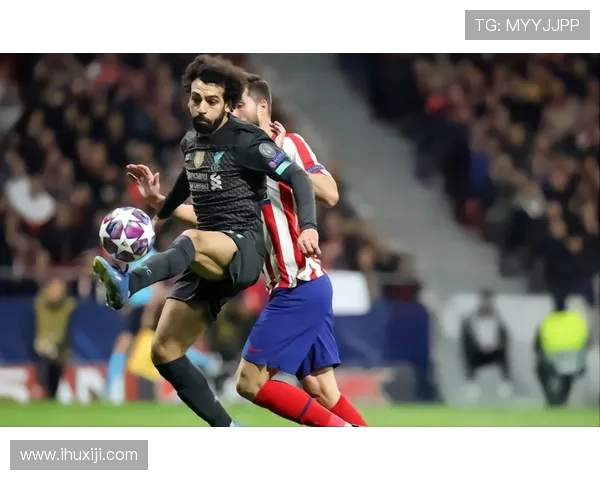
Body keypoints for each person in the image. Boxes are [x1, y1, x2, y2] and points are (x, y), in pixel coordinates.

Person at [93, 55, 347, 427]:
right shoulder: (191, 143)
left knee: (192, 240)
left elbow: (298, 178)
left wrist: (309, 226)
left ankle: (128, 281)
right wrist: (156, 210)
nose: (201, 107)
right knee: (164, 351)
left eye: (211, 101)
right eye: (195, 98)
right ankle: (227, 429)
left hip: (243, 248)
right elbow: (186, 185)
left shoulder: (249, 141)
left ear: (227, 104)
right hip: (210, 253)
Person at [460, 289, 512, 401]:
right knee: (467, 353)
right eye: (485, 301)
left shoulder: (498, 318)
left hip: (495, 350)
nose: (487, 304)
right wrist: (479, 346)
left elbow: (504, 336)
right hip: (477, 351)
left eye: (489, 301)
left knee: (504, 356)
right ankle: (471, 384)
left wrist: (496, 345)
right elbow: (468, 336)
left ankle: (505, 385)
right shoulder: (471, 319)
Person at [534, 308, 589, 407]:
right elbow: (586, 343)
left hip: (553, 361)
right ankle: (562, 399)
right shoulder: (577, 320)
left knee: (542, 369)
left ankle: (552, 399)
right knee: (568, 373)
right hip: (573, 361)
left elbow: (537, 346)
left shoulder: (548, 321)